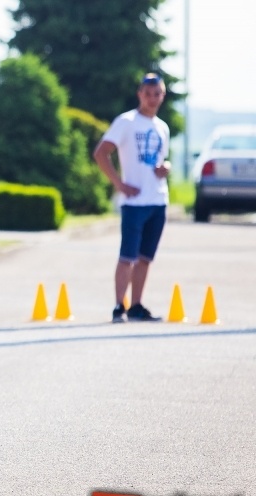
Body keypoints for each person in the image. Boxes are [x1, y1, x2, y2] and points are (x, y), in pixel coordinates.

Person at [94, 72, 171, 323]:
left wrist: (165, 168)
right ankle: (119, 305)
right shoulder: (126, 122)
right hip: (134, 202)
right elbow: (101, 153)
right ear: (140, 94)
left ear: (163, 95)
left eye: (156, 94)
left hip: (157, 199)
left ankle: (137, 305)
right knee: (127, 255)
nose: (152, 98)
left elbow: (159, 160)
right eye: (147, 94)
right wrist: (119, 184)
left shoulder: (162, 127)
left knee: (145, 258)